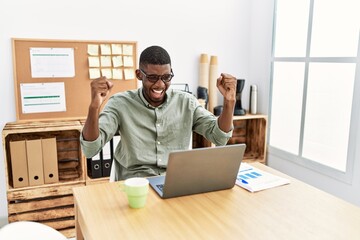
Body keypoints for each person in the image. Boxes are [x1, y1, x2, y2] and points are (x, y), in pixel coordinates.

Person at [80, 45, 237, 181]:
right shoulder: (120, 104)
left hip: (176, 181)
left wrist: (229, 102)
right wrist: (94, 107)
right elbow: (90, 150)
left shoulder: (186, 102)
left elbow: (219, 137)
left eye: (166, 77)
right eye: (153, 77)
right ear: (139, 74)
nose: (160, 84)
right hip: (136, 182)